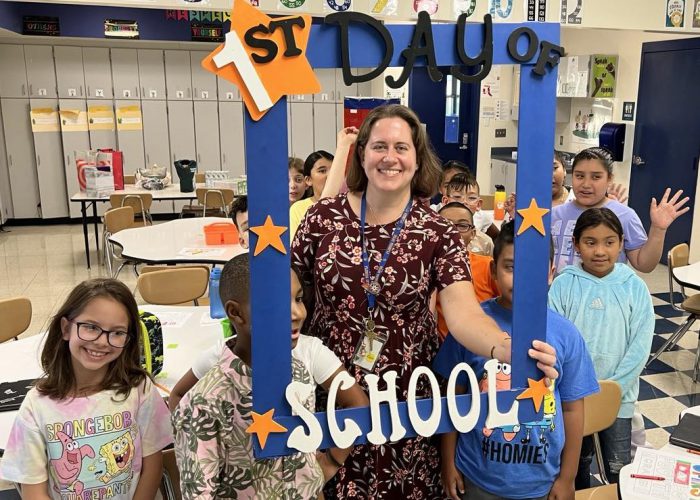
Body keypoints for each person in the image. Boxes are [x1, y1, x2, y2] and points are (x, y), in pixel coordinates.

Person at [292, 104, 558, 498]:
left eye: (402, 147)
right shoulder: (322, 218)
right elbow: (291, 287)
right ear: (361, 154)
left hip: (405, 394)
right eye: (379, 145)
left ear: (418, 161)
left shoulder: (437, 232)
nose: (390, 157)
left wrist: (508, 348)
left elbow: (463, 312)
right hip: (326, 381)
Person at [172, 254, 368, 497]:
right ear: (236, 313)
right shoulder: (203, 403)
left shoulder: (299, 369)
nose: (297, 313)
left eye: (298, 299)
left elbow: (355, 407)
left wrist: (325, 467)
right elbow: (199, 492)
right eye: (276, 302)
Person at [435, 221, 599, 500]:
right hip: (476, 476)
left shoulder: (566, 334)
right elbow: (453, 398)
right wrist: (447, 461)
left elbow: (572, 409)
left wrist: (567, 477)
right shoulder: (469, 327)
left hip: (541, 484)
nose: (523, 279)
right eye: (511, 268)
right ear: (493, 272)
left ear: (550, 273)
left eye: (534, 269)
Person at [0, 279, 172, 499]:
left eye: (117, 332)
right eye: (91, 327)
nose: (102, 342)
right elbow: (33, 490)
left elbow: (153, 466)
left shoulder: (140, 389)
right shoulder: (37, 405)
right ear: (65, 328)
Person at [549, 208, 654, 487]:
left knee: (618, 468)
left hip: (619, 398)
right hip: (571, 400)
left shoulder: (634, 287)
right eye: (590, 242)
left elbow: (641, 344)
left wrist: (614, 388)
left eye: (609, 242)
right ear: (575, 243)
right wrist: (572, 387)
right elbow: (554, 340)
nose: (600, 251)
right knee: (575, 464)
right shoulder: (563, 284)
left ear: (621, 242)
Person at [552, 146, 688, 274]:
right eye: (580, 176)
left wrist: (658, 229)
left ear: (609, 179)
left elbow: (644, 265)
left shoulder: (624, 215)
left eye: (596, 177)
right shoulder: (555, 214)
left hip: (606, 296)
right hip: (559, 295)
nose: (586, 184)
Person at [435, 201, 500, 338]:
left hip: (483, 346)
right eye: (446, 224)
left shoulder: (488, 266)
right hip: (441, 348)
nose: (453, 231)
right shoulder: (426, 267)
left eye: (462, 226)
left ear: (473, 233)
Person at [290, 127, 359, 238]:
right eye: (322, 171)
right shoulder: (298, 209)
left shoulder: (350, 205)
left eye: (334, 171)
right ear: (308, 180)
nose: (330, 176)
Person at [440, 174, 494, 255]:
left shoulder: (485, 243)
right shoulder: (434, 235)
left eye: (471, 198)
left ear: (478, 204)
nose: (464, 202)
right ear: (445, 201)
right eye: (457, 197)